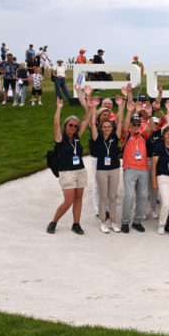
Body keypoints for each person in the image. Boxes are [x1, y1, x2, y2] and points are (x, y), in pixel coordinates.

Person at [47, 97, 94, 234]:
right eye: (70, 125)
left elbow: (85, 121)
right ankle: (54, 221)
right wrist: (59, 108)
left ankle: (76, 224)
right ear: (66, 126)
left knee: (78, 198)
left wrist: (91, 108)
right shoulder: (60, 139)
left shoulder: (77, 137)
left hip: (79, 170)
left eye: (75, 126)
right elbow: (55, 124)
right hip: (66, 172)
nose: (73, 128)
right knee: (69, 200)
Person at [89, 96, 124, 233]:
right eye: (105, 127)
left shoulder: (115, 137)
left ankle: (113, 221)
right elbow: (92, 124)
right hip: (102, 170)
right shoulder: (97, 138)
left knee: (113, 196)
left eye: (109, 126)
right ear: (101, 127)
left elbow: (120, 122)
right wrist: (93, 108)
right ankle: (103, 222)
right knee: (103, 196)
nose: (108, 128)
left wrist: (121, 105)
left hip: (114, 168)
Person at [120, 98, 152, 233]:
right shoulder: (126, 135)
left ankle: (137, 221)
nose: (136, 125)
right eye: (134, 124)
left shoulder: (143, 135)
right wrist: (130, 112)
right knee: (129, 196)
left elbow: (152, 128)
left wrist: (149, 116)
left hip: (143, 169)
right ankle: (125, 222)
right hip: (130, 168)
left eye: (138, 123)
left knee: (143, 196)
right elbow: (123, 126)